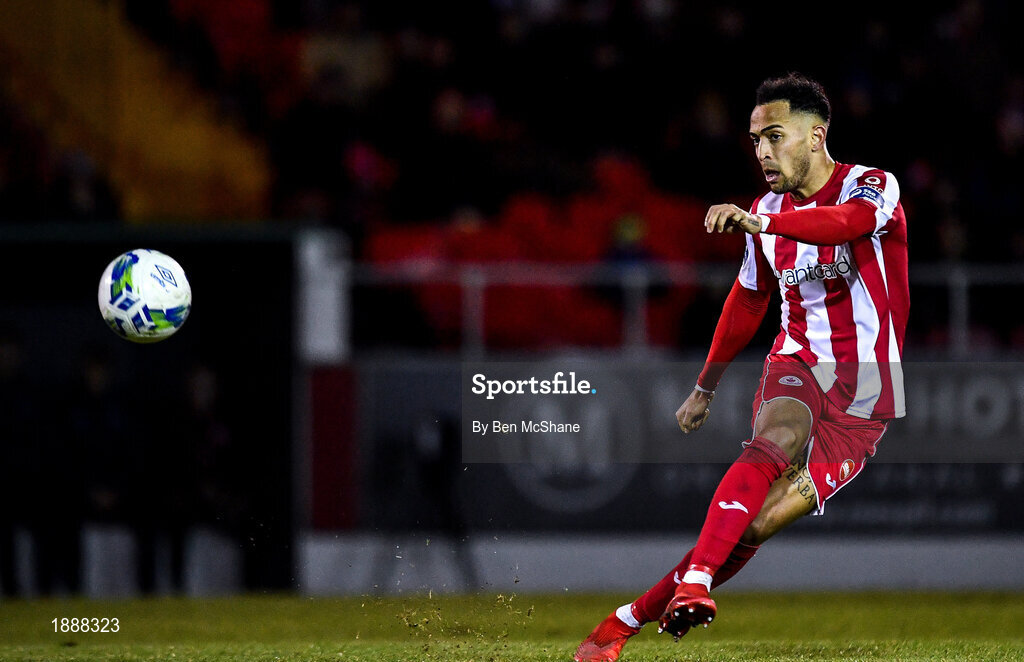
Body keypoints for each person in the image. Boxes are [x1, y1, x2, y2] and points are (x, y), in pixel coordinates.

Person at [574, 72, 908, 660]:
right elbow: (750, 298)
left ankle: (621, 622)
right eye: (755, 140)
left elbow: (847, 225)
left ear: (815, 135)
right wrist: (705, 386)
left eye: (774, 137)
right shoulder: (765, 212)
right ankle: (695, 585)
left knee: (751, 528)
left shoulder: (872, 186)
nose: (762, 152)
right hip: (798, 364)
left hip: (867, 395)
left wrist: (766, 223)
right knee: (776, 436)